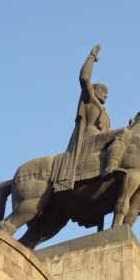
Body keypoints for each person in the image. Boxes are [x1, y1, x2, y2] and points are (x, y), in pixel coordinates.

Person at [51, 44, 129, 192]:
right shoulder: (90, 100)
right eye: (103, 90)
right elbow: (84, 78)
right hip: (89, 139)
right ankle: (111, 168)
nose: (106, 93)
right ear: (94, 90)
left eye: (107, 92)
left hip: (99, 140)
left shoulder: (105, 112)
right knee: (123, 133)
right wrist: (92, 57)